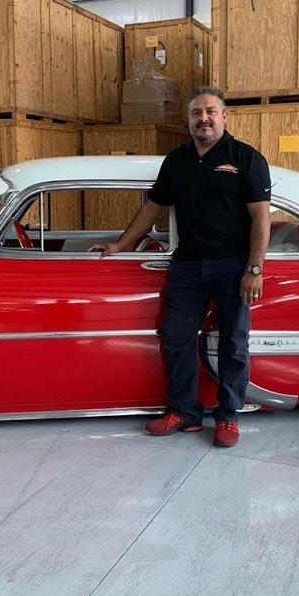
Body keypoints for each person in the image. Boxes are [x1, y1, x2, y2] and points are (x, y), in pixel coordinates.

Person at [90, 86, 270, 447]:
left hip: (233, 265)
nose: (203, 118)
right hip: (187, 265)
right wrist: (120, 245)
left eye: (210, 112)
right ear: (188, 120)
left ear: (224, 116)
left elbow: (261, 217)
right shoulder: (177, 160)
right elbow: (152, 208)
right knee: (176, 339)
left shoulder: (246, 158)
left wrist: (254, 268)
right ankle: (185, 413)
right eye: (196, 113)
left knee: (234, 342)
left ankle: (228, 416)